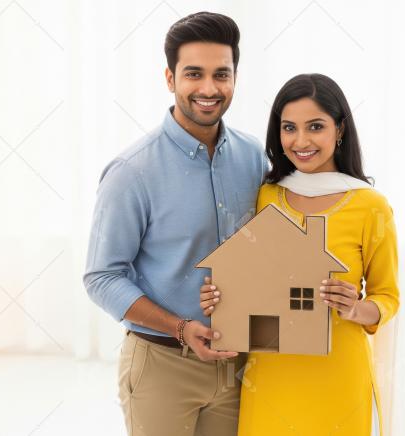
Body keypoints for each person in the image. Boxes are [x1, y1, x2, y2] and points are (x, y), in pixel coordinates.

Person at [83, 12, 267, 436]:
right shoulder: (132, 171)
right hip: (162, 364)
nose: (209, 89)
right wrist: (182, 328)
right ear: (170, 78)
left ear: (236, 77)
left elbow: (268, 248)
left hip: (241, 365)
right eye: (193, 74)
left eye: (222, 74)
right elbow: (102, 277)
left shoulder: (254, 158)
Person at [200, 73, 399, 435]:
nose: (300, 141)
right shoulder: (266, 196)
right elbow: (249, 278)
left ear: (339, 130)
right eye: (289, 127)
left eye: (315, 126)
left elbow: (388, 297)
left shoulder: (371, 207)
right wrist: (219, 297)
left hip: (338, 374)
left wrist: (356, 307)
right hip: (271, 374)